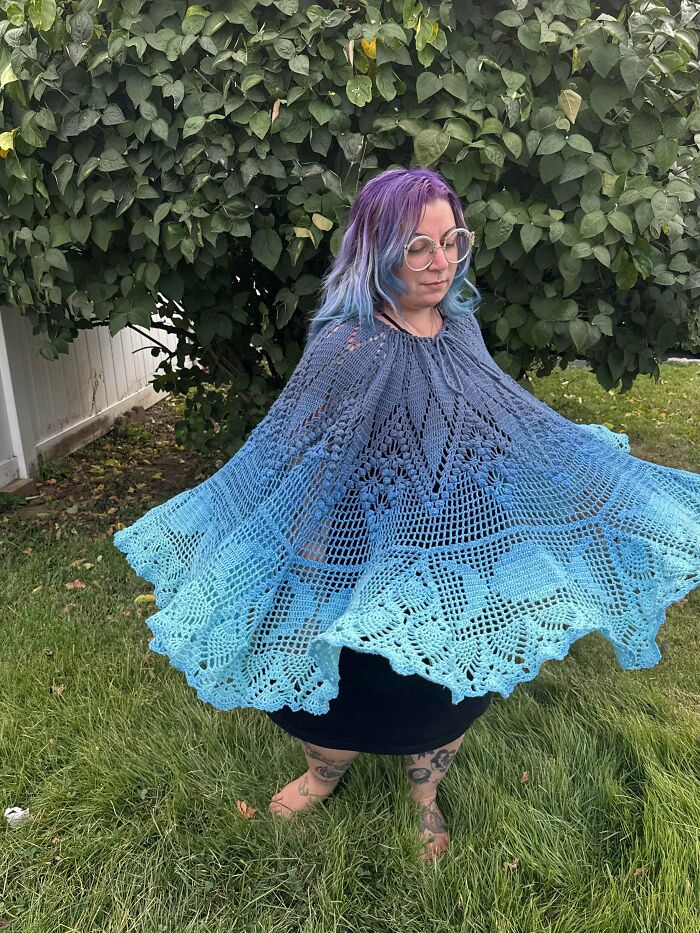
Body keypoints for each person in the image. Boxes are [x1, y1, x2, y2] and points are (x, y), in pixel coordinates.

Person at [113, 168, 700, 863]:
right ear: (377, 250)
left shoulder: (460, 328)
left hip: (454, 545)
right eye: (418, 246)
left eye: (451, 242)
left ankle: (426, 793)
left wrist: (574, 477)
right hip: (354, 554)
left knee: (441, 692)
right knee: (340, 697)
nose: (439, 261)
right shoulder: (349, 346)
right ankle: (321, 775)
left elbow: (504, 419)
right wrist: (292, 561)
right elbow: (297, 453)